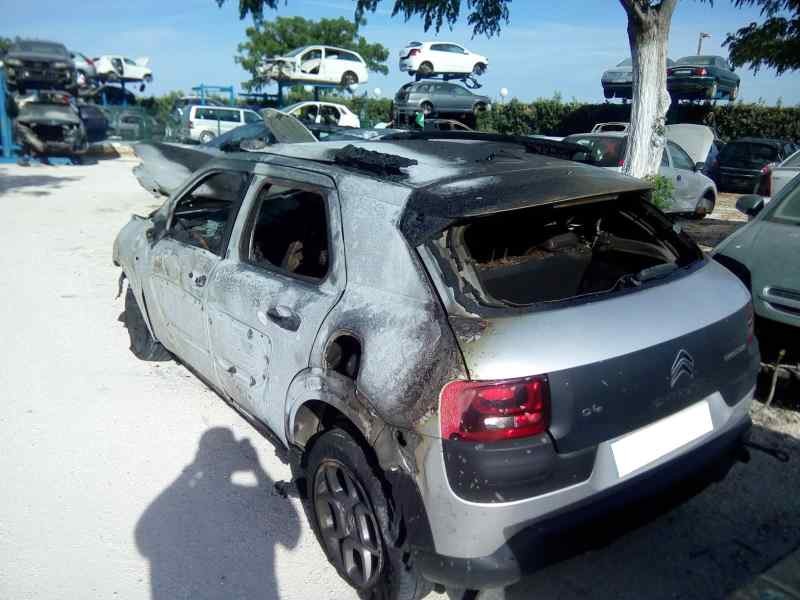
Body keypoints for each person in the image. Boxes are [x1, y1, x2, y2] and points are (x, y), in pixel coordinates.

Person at [135, 428, 300, 600]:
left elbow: (144, 534)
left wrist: (191, 470)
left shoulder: (184, 499)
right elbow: (291, 538)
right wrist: (257, 468)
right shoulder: (245, 493)